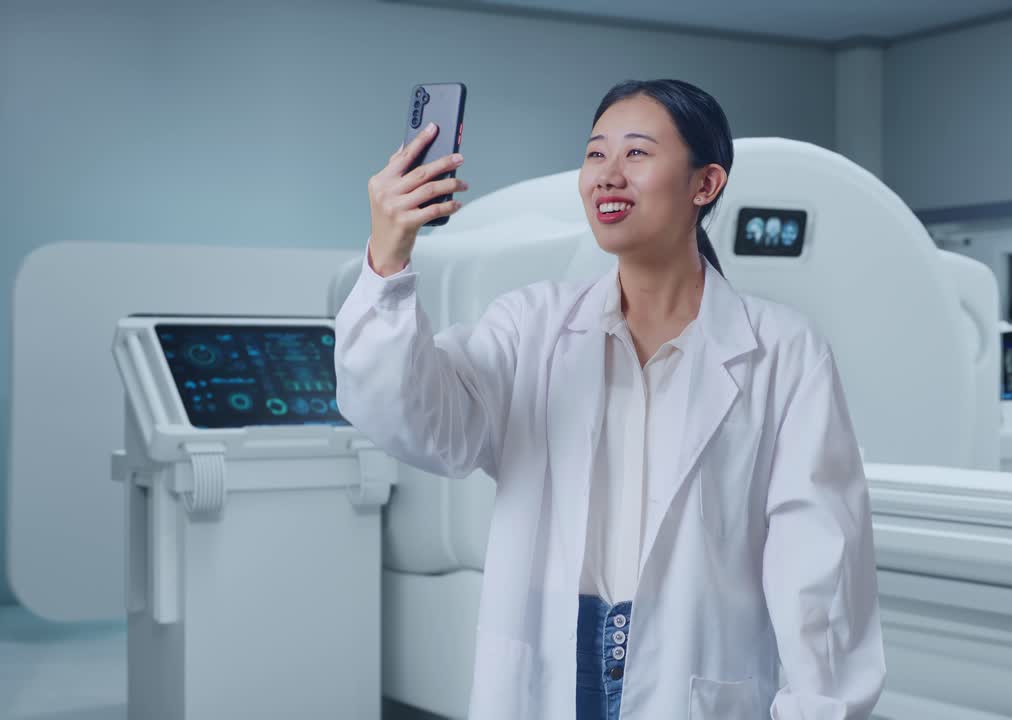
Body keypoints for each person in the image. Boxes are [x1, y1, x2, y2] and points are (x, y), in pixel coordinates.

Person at [335, 79, 884, 720]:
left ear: (705, 185)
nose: (607, 177)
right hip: (553, 668)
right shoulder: (530, 326)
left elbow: (819, 569)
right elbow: (422, 426)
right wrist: (388, 262)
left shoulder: (784, 351)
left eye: (637, 154)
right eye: (595, 155)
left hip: (694, 679)